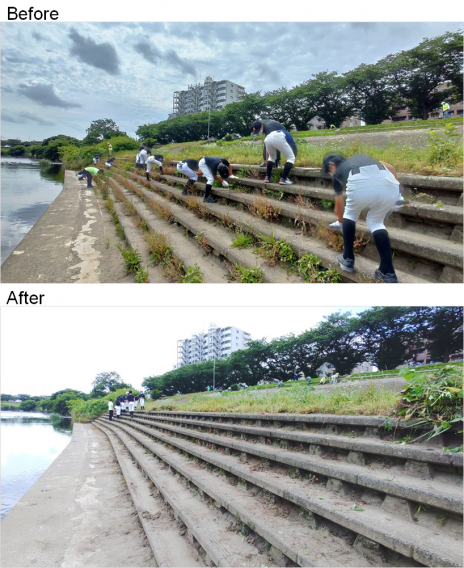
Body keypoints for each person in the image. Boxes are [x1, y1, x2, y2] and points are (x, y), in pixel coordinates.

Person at [321, 153, 402, 283]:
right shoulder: (361, 158)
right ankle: (388, 272)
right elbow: (389, 166)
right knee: (376, 222)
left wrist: (340, 221)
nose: (330, 175)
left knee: (350, 214)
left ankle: (347, 258)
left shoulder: (338, 173)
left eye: (328, 172)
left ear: (331, 166)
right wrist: (397, 189)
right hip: (388, 182)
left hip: (360, 180)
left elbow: (339, 203)